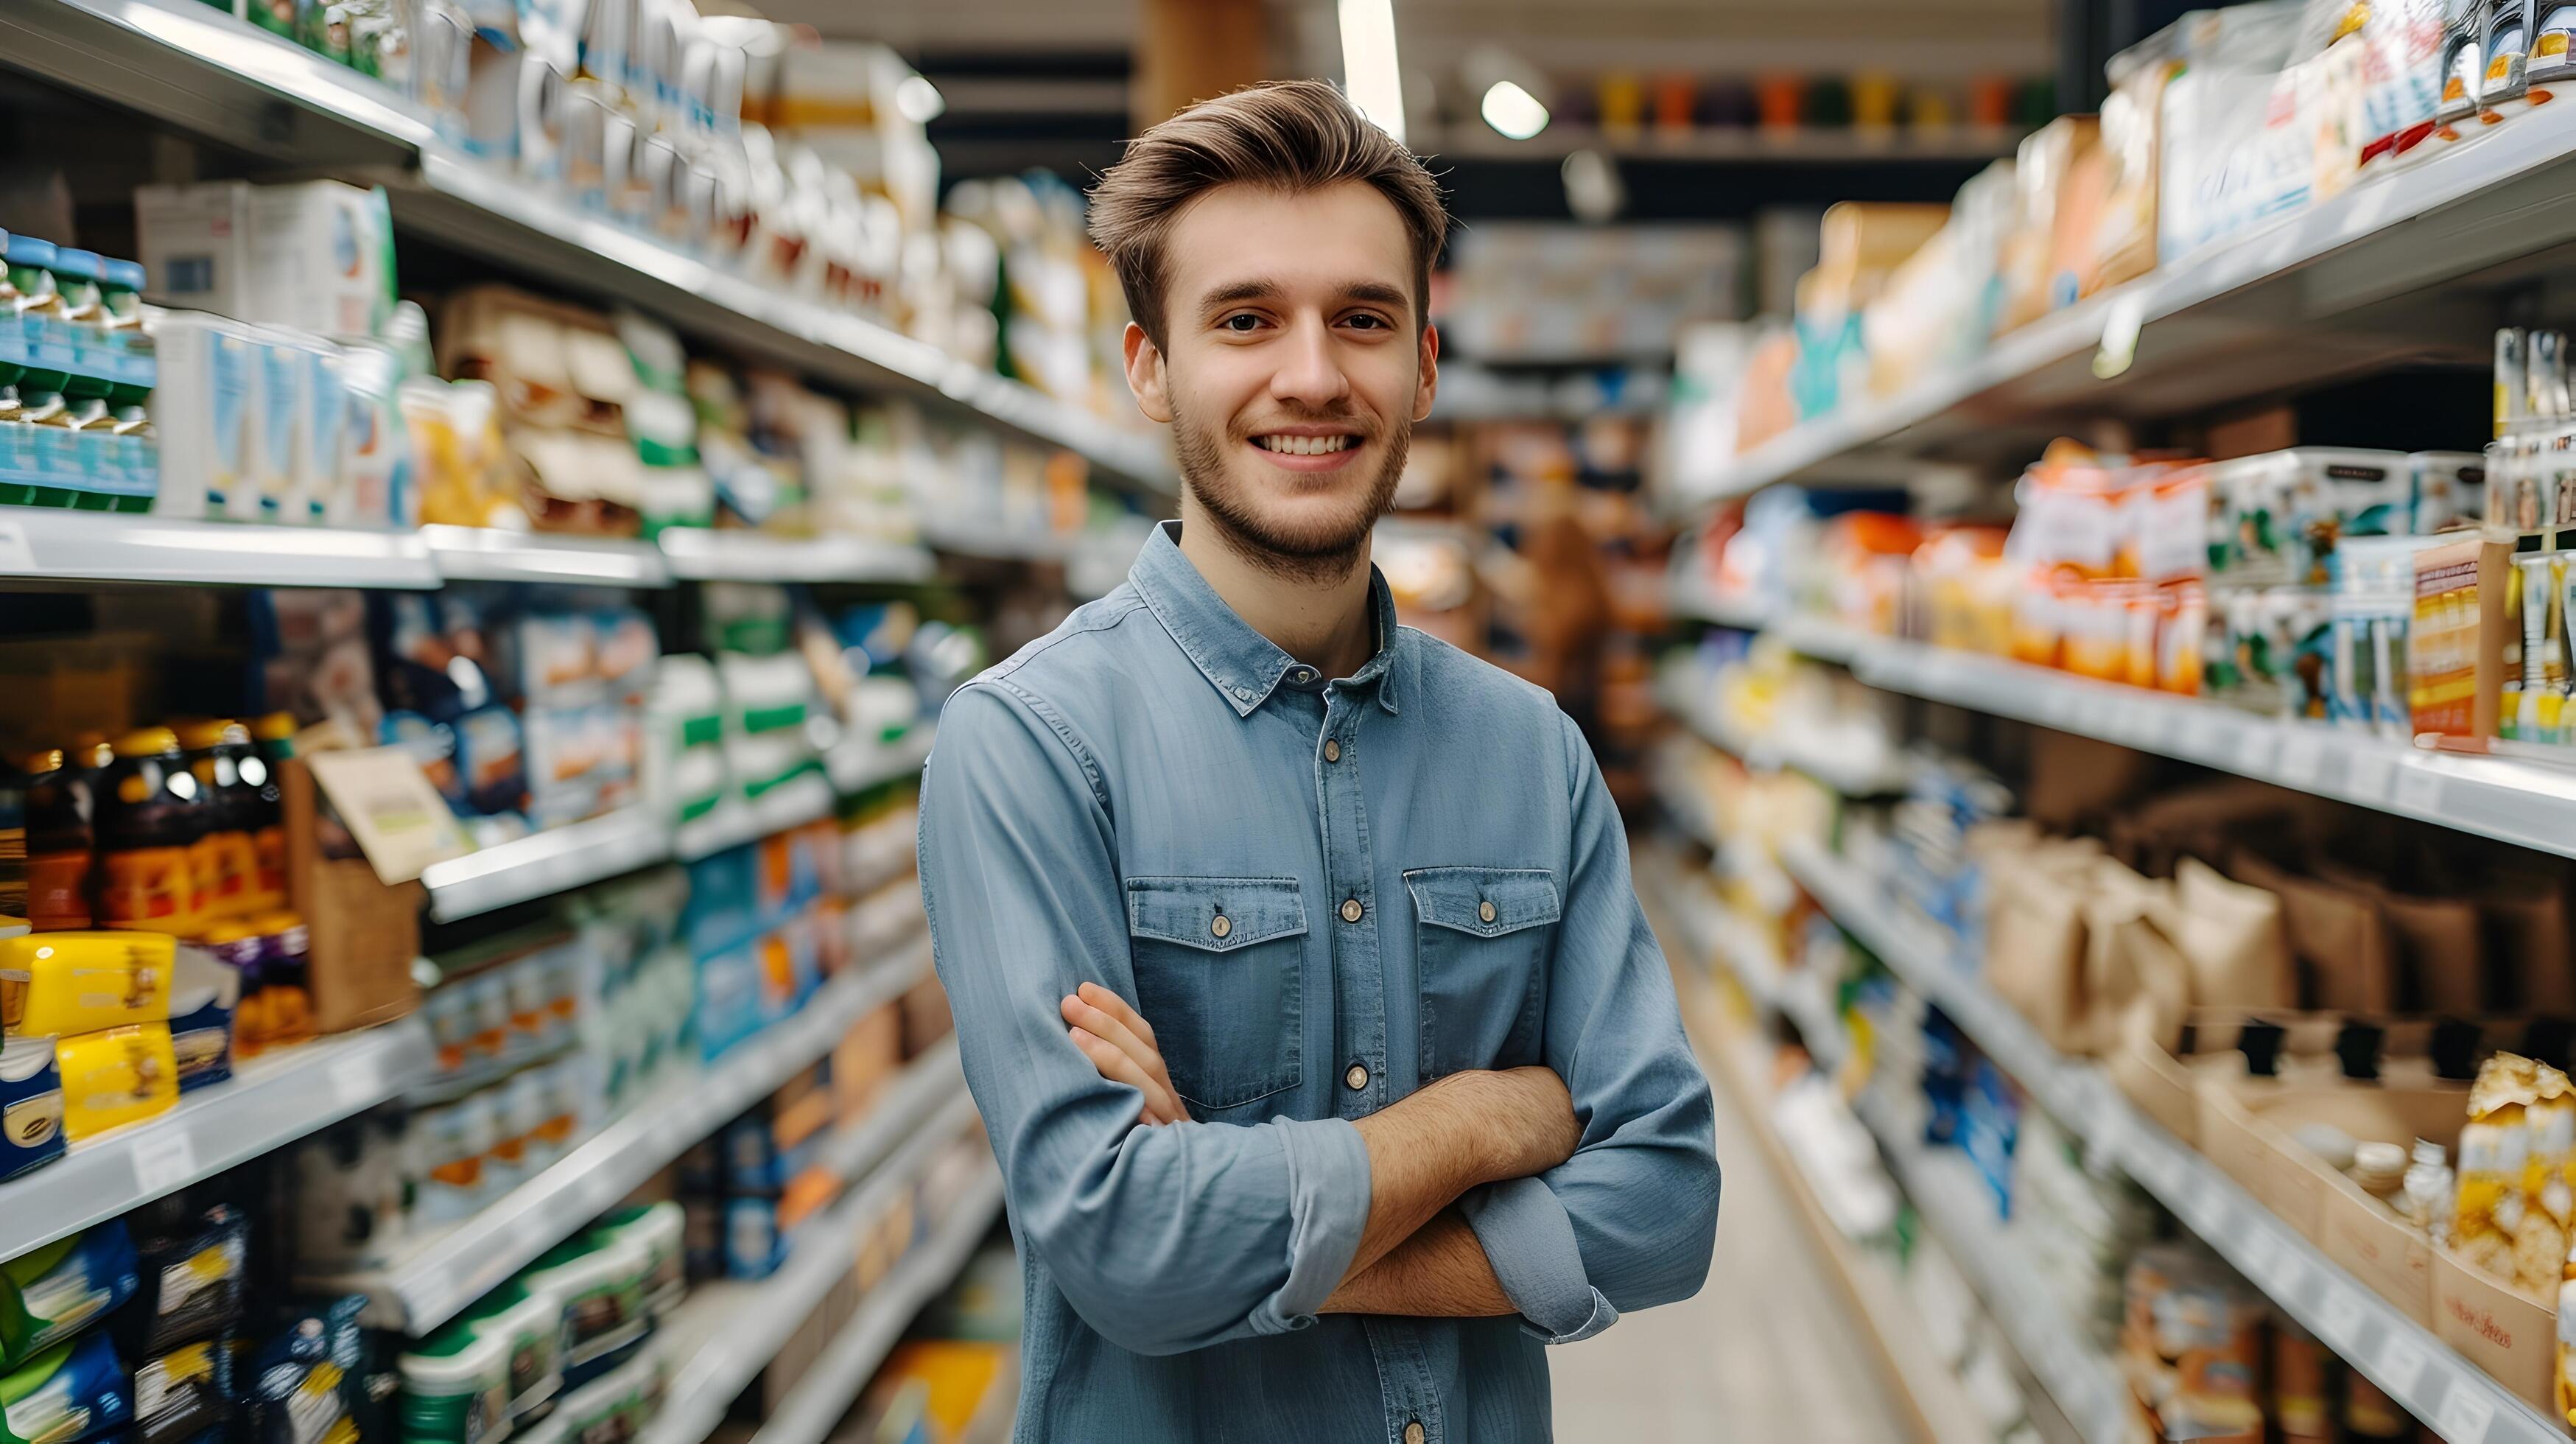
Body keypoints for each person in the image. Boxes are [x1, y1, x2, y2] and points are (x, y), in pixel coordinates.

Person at [915, 79, 1720, 1443]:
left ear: (1422, 365)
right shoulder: (1029, 748)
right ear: (1149, 366)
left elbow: (1664, 1210)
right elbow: (1122, 1247)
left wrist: (1251, 1233)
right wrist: (1475, 1125)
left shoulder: (1532, 754)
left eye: (1362, 317)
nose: (1311, 374)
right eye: (1244, 320)